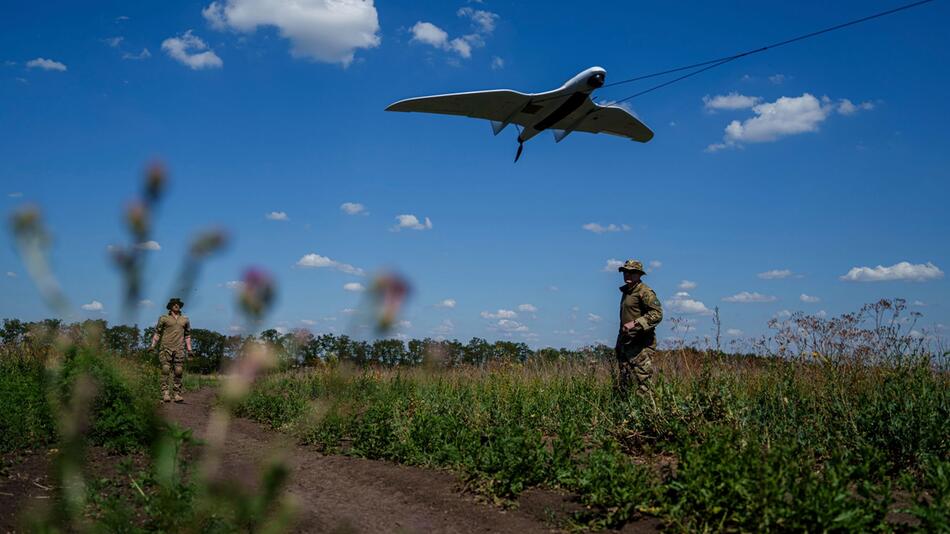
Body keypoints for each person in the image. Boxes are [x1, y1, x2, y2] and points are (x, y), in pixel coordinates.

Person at [615, 260, 663, 395]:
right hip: (626, 343)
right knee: (625, 382)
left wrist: (635, 323)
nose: (627, 275)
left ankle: (649, 412)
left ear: (639, 274)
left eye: (632, 272)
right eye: (625, 272)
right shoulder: (627, 291)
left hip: (641, 344)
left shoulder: (645, 292)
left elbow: (657, 314)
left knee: (644, 382)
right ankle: (627, 412)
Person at [150, 297, 191, 403]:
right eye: (174, 304)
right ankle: (165, 393)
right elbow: (157, 333)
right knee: (166, 369)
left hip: (180, 348)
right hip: (166, 347)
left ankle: (177, 394)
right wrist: (153, 345)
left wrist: (190, 350)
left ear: (180, 306)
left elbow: (187, 335)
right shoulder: (164, 318)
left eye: (178, 304)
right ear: (170, 306)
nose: (176, 305)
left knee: (178, 371)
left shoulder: (185, 319)